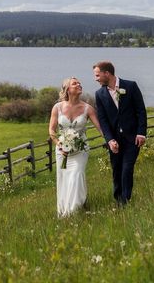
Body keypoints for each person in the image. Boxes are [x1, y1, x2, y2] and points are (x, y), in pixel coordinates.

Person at [93, 61, 147, 206]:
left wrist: (141, 133)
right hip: (114, 140)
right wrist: (109, 140)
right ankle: (118, 199)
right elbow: (103, 120)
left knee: (127, 168)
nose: (96, 79)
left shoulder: (131, 86)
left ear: (107, 73)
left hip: (132, 138)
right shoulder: (99, 94)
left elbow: (141, 111)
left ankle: (125, 200)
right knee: (116, 170)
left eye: (98, 75)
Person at [48, 77, 103, 217]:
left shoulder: (87, 108)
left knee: (77, 175)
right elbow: (52, 131)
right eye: (75, 83)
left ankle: (74, 209)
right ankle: (64, 211)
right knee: (64, 178)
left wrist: (111, 139)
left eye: (79, 83)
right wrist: (59, 144)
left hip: (81, 150)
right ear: (67, 89)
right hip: (62, 150)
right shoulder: (57, 107)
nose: (79, 84)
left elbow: (101, 129)